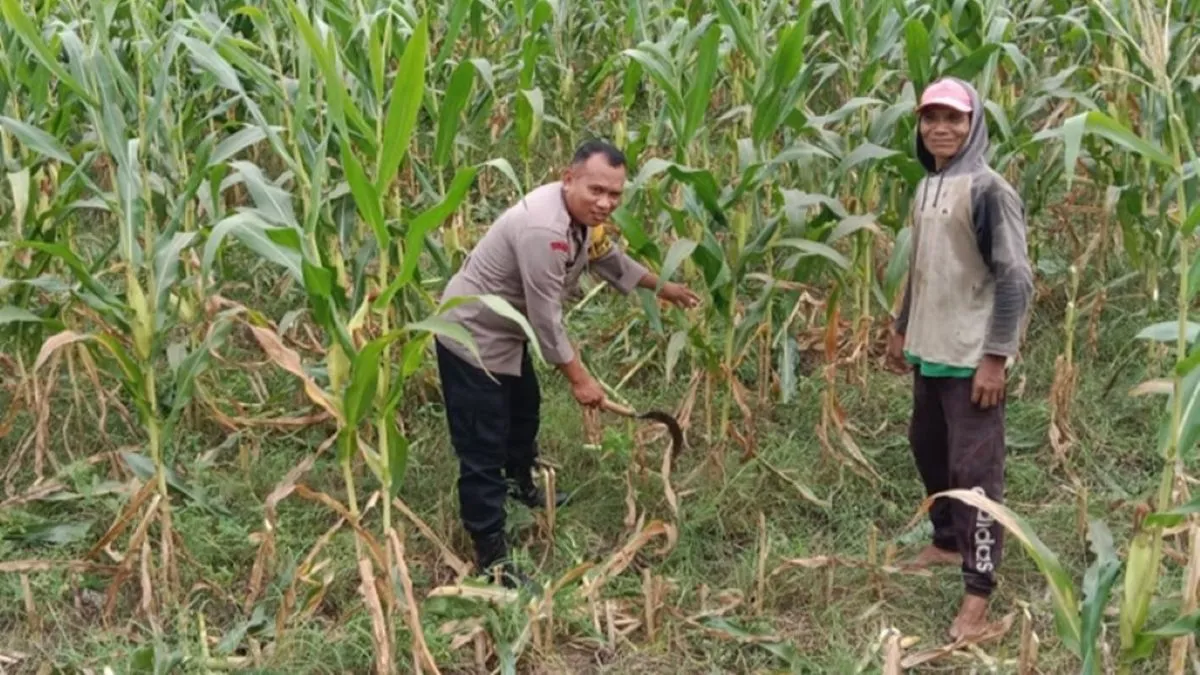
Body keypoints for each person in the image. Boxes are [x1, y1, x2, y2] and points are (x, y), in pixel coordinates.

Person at [435, 139, 701, 587]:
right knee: (483, 443)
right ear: (568, 178)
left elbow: (607, 258)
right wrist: (581, 381)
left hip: (506, 329)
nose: (605, 203)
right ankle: (492, 556)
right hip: (472, 334)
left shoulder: (583, 219)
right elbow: (545, 318)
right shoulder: (544, 231)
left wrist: (661, 286)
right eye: (596, 190)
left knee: (524, 413)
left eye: (615, 194)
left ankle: (521, 489)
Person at [888, 77, 1034, 640]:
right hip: (931, 351)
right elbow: (925, 266)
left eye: (954, 119)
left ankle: (978, 598)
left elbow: (1016, 279)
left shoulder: (988, 188)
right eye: (931, 119)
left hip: (972, 358)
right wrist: (902, 328)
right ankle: (947, 542)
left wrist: (996, 357)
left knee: (975, 477)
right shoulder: (929, 185)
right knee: (927, 449)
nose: (941, 129)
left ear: (974, 125)